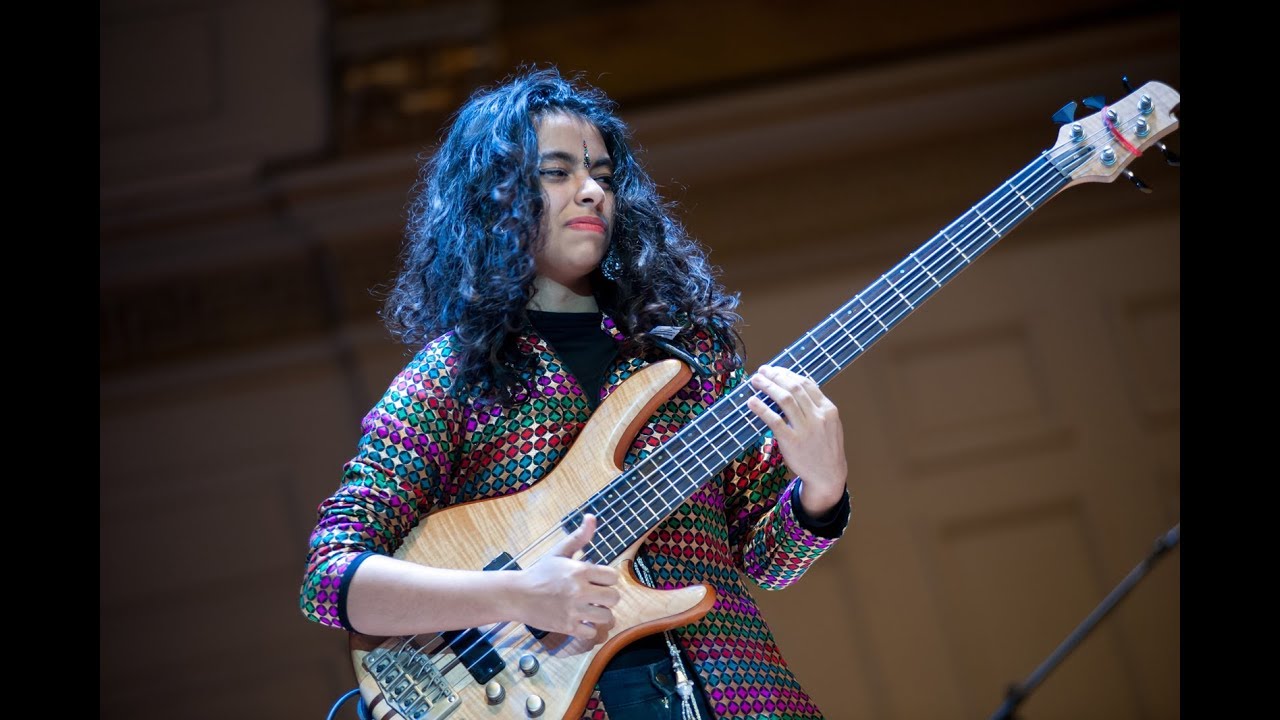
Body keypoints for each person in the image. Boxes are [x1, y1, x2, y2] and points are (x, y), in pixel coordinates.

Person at [299, 65, 852, 720]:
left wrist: (821, 491)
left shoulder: (691, 354)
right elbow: (331, 579)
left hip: (738, 696)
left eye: (604, 175)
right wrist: (514, 595)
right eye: (558, 171)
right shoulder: (447, 378)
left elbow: (767, 558)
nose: (591, 191)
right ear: (495, 195)